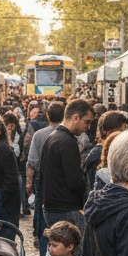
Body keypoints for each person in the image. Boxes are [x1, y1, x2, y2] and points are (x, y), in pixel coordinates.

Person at [40, 98, 93, 247]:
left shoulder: (53, 137)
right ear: (76, 117)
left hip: (52, 207)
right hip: (65, 209)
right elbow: (74, 180)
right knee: (76, 255)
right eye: (87, 122)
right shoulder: (67, 142)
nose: (88, 127)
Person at [26, 101, 64, 256]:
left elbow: (32, 162)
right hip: (63, 184)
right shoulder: (72, 135)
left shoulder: (39, 135)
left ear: (47, 116)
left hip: (43, 182)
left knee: (43, 223)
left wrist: (28, 182)